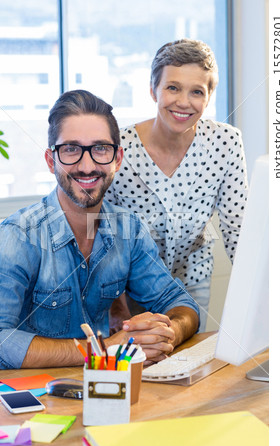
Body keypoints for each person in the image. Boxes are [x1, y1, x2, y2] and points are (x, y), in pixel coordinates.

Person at [0, 89, 199, 372]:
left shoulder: (129, 229)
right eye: (71, 149)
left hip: (104, 388)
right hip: (36, 400)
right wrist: (104, 350)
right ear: (51, 160)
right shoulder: (16, 236)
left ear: (117, 159)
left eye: (100, 148)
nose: (87, 165)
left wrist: (167, 333)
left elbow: (179, 303)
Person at [106, 39, 248, 331]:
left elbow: (238, 231)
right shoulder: (118, 146)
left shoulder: (226, 142)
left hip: (192, 279)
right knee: (136, 364)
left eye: (197, 91)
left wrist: (262, 299)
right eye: (173, 87)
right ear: (153, 89)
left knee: (184, 362)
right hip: (127, 285)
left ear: (209, 96)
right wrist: (115, 304)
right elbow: (103, 233)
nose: (184, 102)